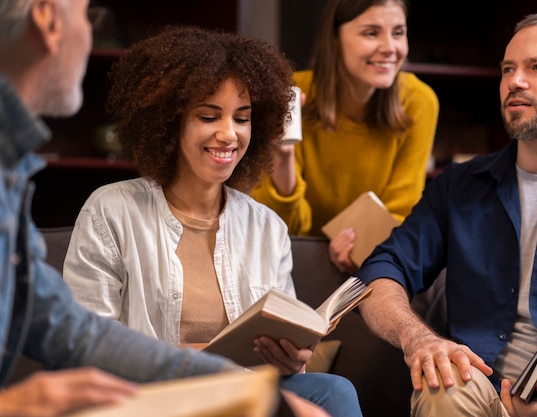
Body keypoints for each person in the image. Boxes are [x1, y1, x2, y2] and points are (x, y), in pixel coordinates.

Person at [0, 1, 331, 416]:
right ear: (48, 21)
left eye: (241, 118)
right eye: (88, 15)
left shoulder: (11, 173)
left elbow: (73, 331)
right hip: (151, 400)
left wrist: (265, 385)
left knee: (330, 392)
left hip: (219, 387)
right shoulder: (108, 208)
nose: (228, 133)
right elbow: (82, 338)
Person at [357, 13, 537, 417]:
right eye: (507, 69)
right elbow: (380, 271)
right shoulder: (460, 185)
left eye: (536, 67)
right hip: (481, 395)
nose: (514, 81)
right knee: (442, 385)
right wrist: (418, 339)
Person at [251, 0, 439, 274]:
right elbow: (280, 229)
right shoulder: (291, 93)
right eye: (371, 33)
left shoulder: (420, 102)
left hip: (374, 256)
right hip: (295, 256)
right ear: (335, 40)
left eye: (398, 33)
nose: (390, 48)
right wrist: (283, 156)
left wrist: (360, 243)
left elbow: (399, 214)